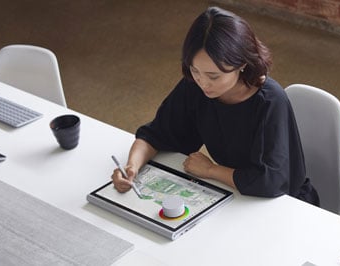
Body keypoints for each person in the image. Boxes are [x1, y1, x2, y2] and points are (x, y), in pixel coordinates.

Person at [111, 6, 320, 206]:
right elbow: (156, 134)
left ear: (242, 64)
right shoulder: (196, 87)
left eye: (214, 76)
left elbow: (271, 181)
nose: (203, 82)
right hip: (235, 196)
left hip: (283, 205)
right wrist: (131, 166)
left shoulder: (269, 102)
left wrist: (211, 170)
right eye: (195, 71)